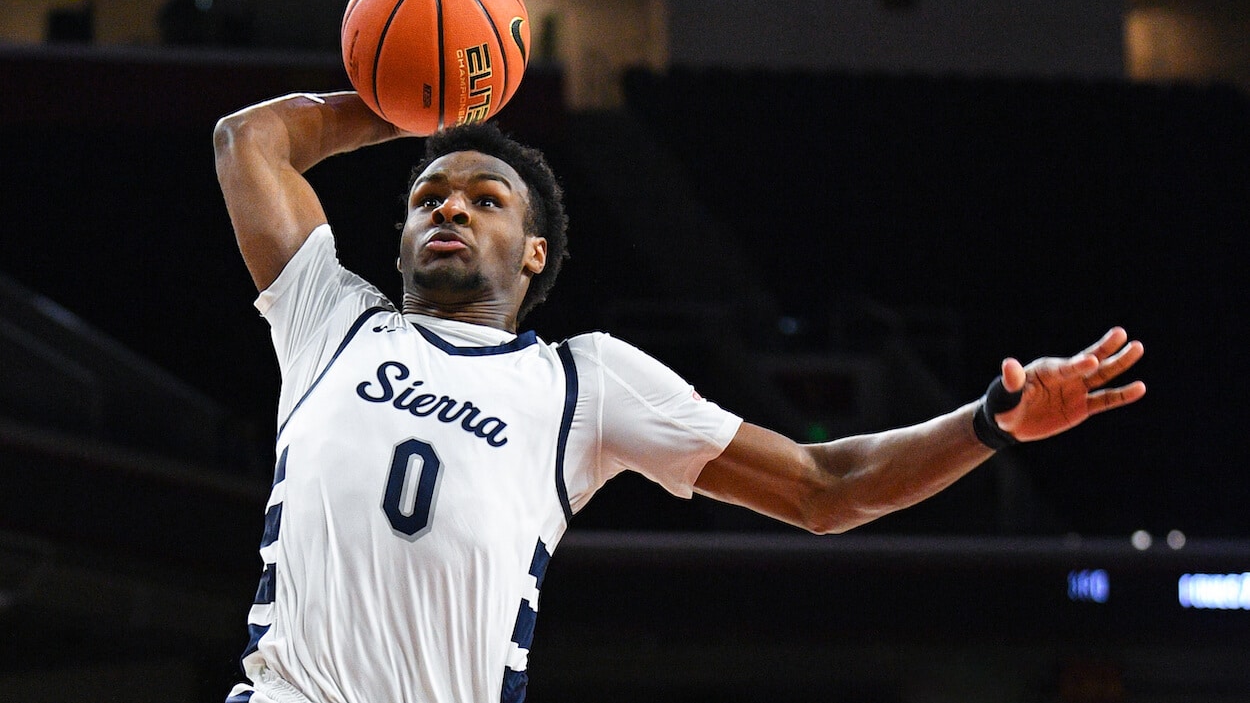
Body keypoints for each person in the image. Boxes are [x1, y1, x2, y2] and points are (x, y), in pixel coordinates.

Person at [213, 90, 1145, 703]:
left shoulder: (585, 379)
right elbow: (247, 141)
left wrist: (989, 420)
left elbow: (826, 485)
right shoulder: (329, 319)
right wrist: (403, 102)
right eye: (428, 196)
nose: (449, 206)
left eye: (485, 197)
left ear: (535, 253)